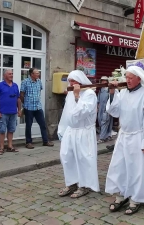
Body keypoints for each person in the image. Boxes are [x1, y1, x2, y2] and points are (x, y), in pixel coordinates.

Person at [105, 66, 144, 215]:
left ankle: (136, 199)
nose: (127, 80)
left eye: (130, 77)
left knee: (137, 170)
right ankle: (120, 195)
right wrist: (112, 93)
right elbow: (114, 111)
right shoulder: (122, 93)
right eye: (126, 77)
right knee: (119, 167)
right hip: (124, 136)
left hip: (138, 138)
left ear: (139, 79)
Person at [57, 70, 100, 198]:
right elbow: (66, 112)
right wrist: (62, 129)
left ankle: (85, 185)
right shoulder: (70, 94)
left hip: (84, 131)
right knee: (66, 156)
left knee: (83, 158)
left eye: (74, 81)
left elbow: (83, 113)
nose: (71, 83)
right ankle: (71, 183)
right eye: (70, 81)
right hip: (71, 130)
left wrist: (77, 96)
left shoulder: (89, 94)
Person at [20, 68, 54, 149]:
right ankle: (28, 142)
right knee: (28, 125)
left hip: (38, 107)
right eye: (36, 73)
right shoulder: (25, 82)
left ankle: (45, 141)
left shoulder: (39, 81)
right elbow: (21, 94)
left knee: (43, 125)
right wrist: (25, 104)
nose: (38, 74)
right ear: (31, 74)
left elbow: (39, 91)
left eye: (38, 73)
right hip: (29, 107)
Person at [0, 69, 21, 155]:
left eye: (12, 73)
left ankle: (10, 146)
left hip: (13, 112)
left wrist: (19, 110)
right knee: (2, 130)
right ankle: (1, 147)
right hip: (3, 112)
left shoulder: (15, 85)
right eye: (9, 74)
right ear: (5, 75)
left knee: (11, 129)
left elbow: (18, 99)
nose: (11, 75)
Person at [97, 76, 117, 143]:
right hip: (100, 109)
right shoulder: (101, 90)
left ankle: (102, 138)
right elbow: (98, 100)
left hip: (107, 109)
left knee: (105, 122)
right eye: (102, 81)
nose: (103, 82)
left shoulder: (109, 90)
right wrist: (98, 107)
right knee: (101, 122)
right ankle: (107, 136)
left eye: (105, 81)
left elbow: (112, 99)